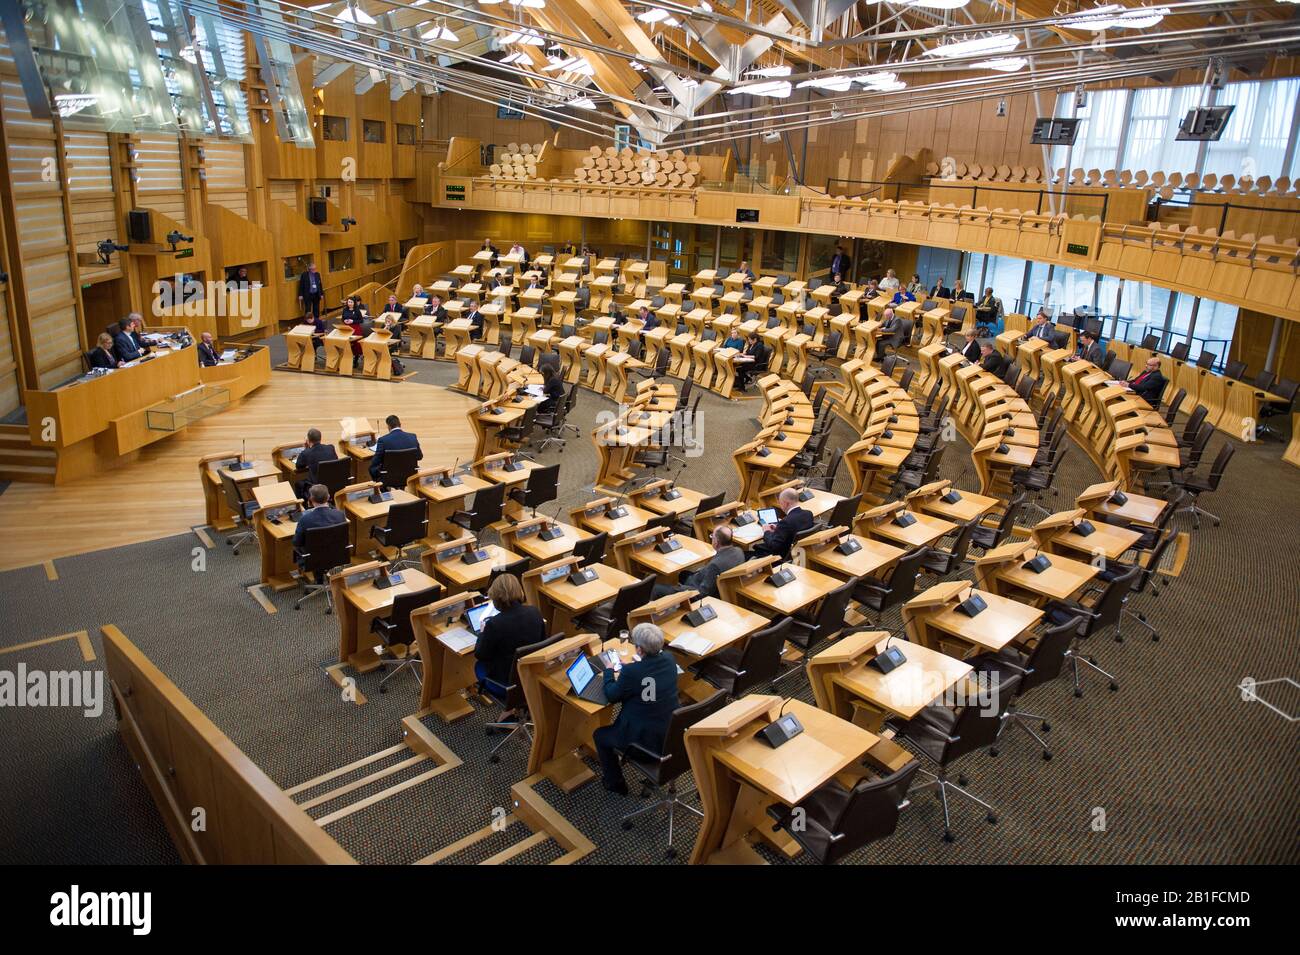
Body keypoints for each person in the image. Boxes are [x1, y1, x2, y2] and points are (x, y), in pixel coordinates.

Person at [592, 623, 680, 796]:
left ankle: (615, 783)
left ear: (639, 649)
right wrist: (634, 668)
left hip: (642, 742)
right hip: (670, 734)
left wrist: (609, 671)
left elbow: (611, 695)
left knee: (600, 735)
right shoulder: (670, 659)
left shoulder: (633, 672)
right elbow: (650, 678)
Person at [474, 574, 546, 722]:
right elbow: (542, 642)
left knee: (478, 665)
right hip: (531, 675)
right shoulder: (535, 612)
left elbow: (481, 654)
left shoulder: (494, 624)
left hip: (505, 682)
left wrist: (483, 633)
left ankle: (514, 706)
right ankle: (520, 706)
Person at [652, 525, 744, 600]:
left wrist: (681, 589)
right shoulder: (739, 551)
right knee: (683, 574)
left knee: (656, 588)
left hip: (698, 588)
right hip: (704, 578)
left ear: (716, 542)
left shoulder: (715, 566)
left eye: (712, 536)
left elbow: (703, 593)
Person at [752, 487, 813, 560]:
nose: (780, 506)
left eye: (780, 503)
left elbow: (774, 546)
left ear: (786, 503)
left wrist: (766, 531)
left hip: (781, 556)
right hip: (800, 552)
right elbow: (792, 529)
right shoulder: (808, 514)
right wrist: (778, 529)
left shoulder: (785, 522)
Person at [292, 483, 347, 557]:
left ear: (311, 499)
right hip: (335, 554)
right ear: (328, 497)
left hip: (312, 557)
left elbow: (297, 542)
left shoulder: (304, 519)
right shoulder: (340, 515)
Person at [369, 414, 422, 482]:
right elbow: (419, 457)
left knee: (372, 468)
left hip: (388, 477)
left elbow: (375, 461)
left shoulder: (383, 440)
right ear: (400, 424)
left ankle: (383, 489)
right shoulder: (413, 437)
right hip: (409, 476)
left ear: (388, 426)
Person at [295, 428, 338, 498]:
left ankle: (304, 507)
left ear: (308, 440)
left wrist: (307, 448)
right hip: (333, 483)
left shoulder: (306, 453)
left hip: (317, 487)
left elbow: (298, 466)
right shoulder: (330, 448)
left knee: (298, 484)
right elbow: (336, 459)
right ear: (320, 438)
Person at [340, 295, 367, 362]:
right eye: (349, 302)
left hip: (355, 328)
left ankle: (356, 358)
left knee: (356, 344)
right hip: (347, 328)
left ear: (354, 303)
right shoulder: (345, 309)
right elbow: (342, 318)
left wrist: (353, 321)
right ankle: (347, 357)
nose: (350, 303)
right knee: (346, 343)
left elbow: (361, 320)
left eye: (351, 302)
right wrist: (344, 321)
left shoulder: (357, 310)